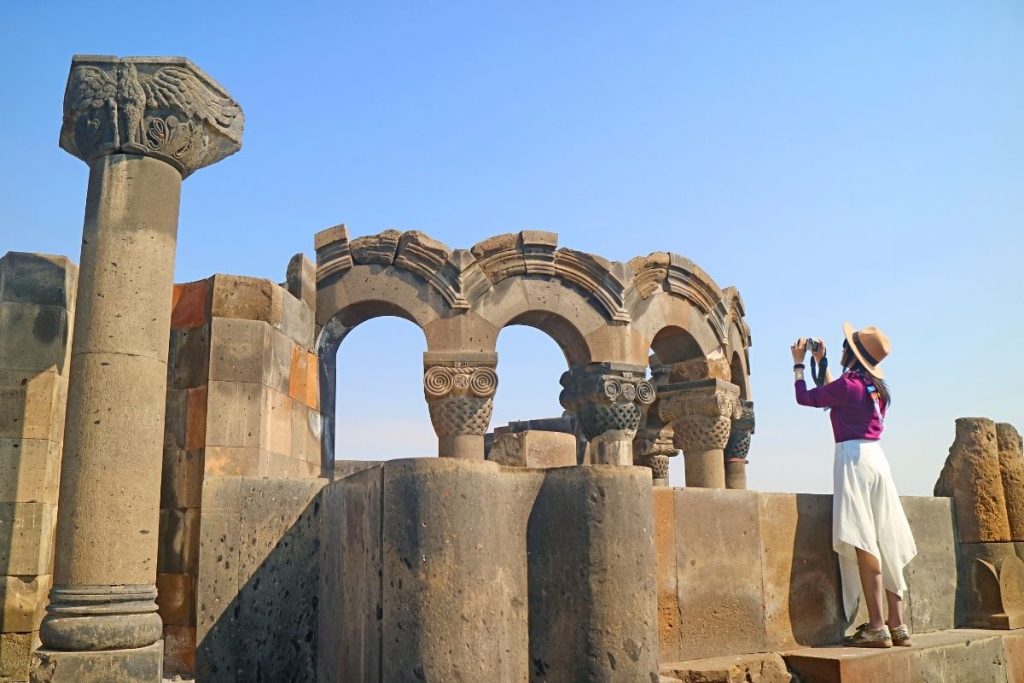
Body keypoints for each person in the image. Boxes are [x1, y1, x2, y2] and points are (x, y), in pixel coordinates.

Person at [791, 323, 917, 649]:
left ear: (853, 353)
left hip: (853, 459)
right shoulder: (877, 389)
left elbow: (805, 398)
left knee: (864, 542)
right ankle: (897, 623)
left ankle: (876, 626)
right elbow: (839, 392)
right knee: (885, 537)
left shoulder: (849, 386)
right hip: (877, 460)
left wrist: (799, 364)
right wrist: (823, 361)